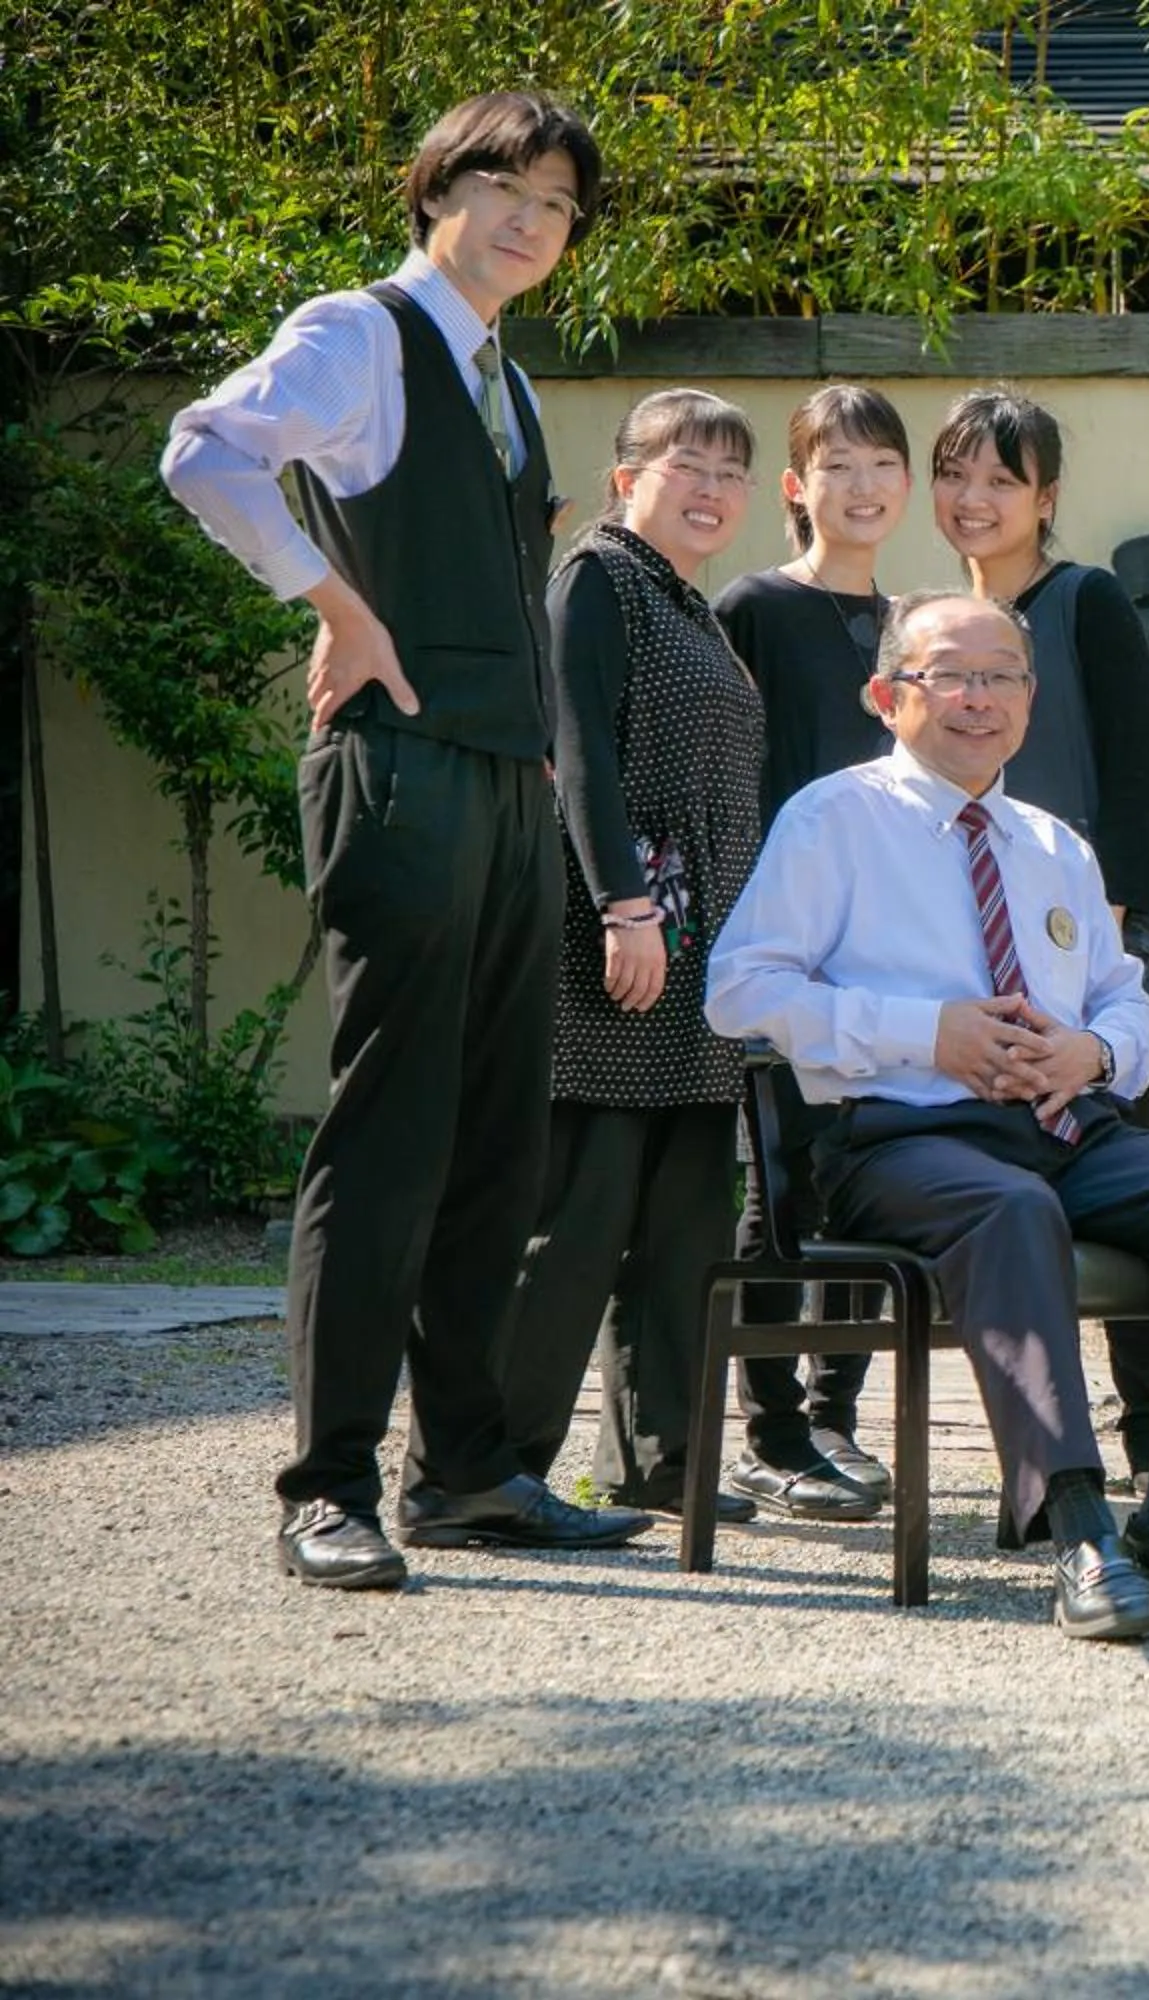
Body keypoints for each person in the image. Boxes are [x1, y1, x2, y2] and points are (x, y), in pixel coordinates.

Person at [158, 90, 649, 1589]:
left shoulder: (503, 373)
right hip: (400, 770)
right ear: (439, 184)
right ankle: (328, 1486)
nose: (531, 218)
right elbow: (206, 450)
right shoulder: (362, 331)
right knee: (390, 1132)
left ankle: (470, 1472)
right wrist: (338, 605)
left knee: (500, 1140)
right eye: (505, 184)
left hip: (506, 780)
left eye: (559, 204)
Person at [705, 591, 1149, 1642]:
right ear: (888, 694)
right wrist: (920, 1030)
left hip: (1071, 1129)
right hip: (900, 1140)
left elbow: (1128, 998)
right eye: (952, 674)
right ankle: (1078, 1527)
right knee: (1012, 1208)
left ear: (1030, 700)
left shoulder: (1051, 842)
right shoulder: (832, 818)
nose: (979, 698)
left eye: (1003, 676)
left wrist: (1095, 1049)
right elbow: (740, 992)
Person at [931, 384, 1149, 1487]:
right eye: (956, 475)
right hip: (984, 949)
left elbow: (1134, 784)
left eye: (1001, 481)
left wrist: (1094, 943)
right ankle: (1048, 1446)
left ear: (1045, 497)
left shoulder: (1087, 600)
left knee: (1139, 1179)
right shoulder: (936, 625)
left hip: (1117, 930)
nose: (973, 500)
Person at [497, 388, 768, 1520]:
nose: (709, 490)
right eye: (685, 465)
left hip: (702, 955)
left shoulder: (688, 602)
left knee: (687, 1219)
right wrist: (623, 906)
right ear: (626, 478)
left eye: (729, 472)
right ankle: (499, 1460)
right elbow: (579, 757)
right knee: (587, 1210)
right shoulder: (598, 579)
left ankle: (667, 1456)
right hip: (621, 938)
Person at [710, 382, 918, 1522]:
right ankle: (769, 1427)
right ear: (797, 488)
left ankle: (837, 1411)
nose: (865, 484)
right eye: (839, 464)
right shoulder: (753, 606)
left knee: (869, 1171)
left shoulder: (907, 628)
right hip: (788, 937)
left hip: (892, 944)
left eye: (883, 462)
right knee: (776, 1178)